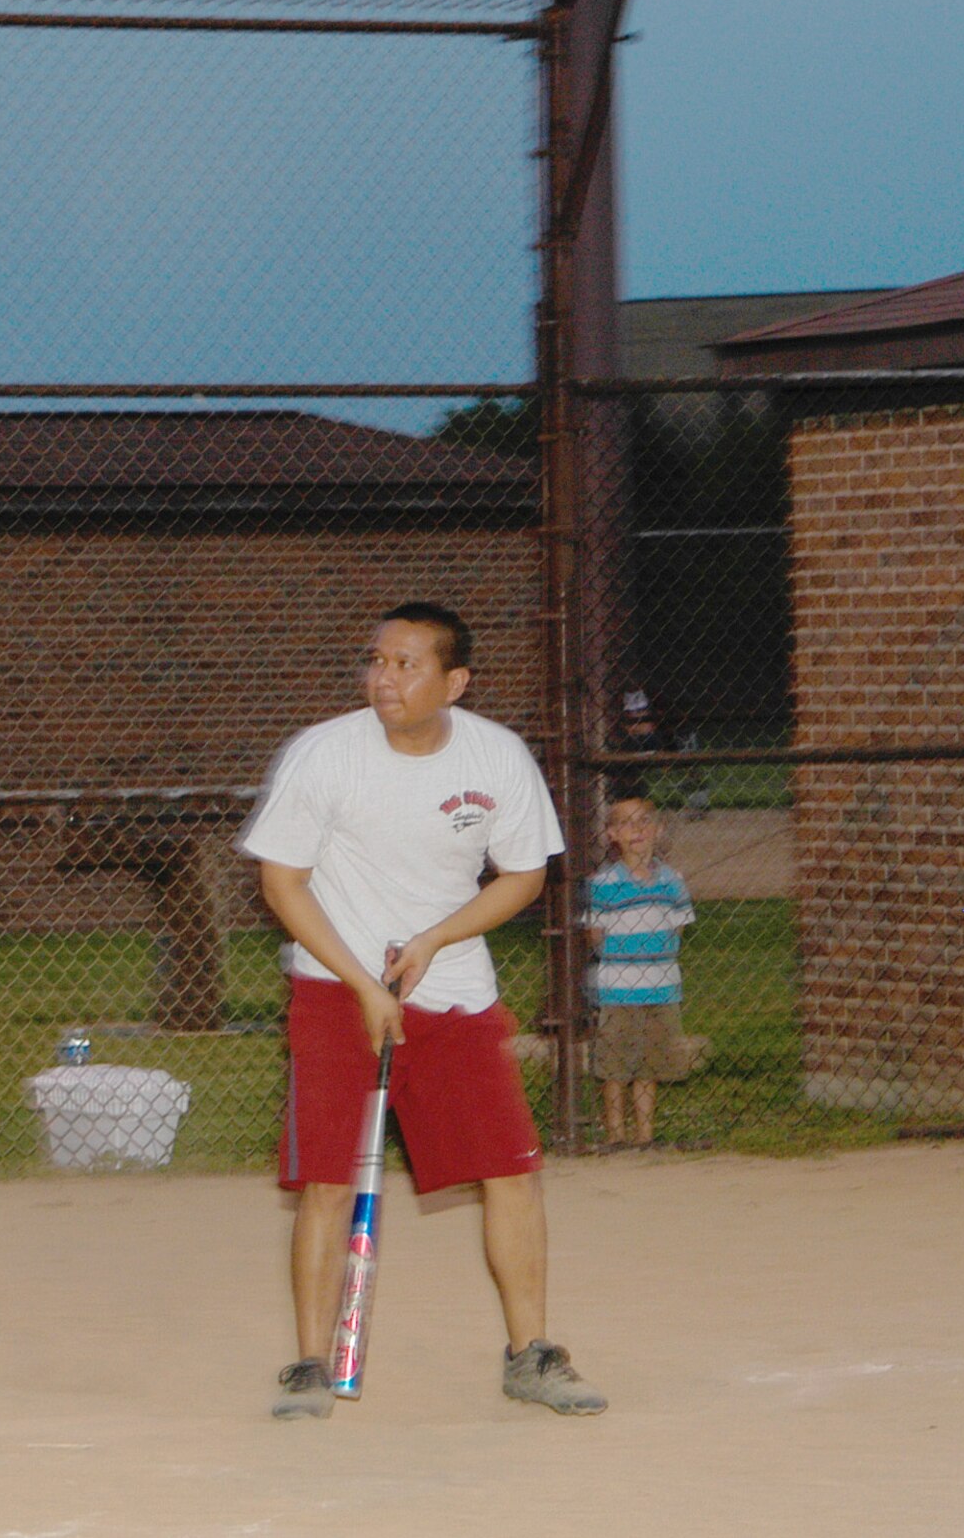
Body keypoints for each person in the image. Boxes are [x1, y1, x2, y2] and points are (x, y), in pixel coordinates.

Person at [239, 601, 606, 1421]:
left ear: (455, 681)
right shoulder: (325, 754)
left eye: (406, 664)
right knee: (328, 1182)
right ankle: (309, 1362)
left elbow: (522, 875)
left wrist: (435, 938)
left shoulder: (496, 755)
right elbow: (281, 882)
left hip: (454, 991)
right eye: (376, 661)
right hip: (336, 989)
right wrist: (363, 984)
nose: (384, 678)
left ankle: (532, 1354)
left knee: (511, 1172)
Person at [588, 784, 698, 1148]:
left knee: (650, 1065)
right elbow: (596, 935)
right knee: (616, 1066)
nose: (637, 830)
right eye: (626, 824)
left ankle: (645, 1135)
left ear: (658, 829)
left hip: (661, 986)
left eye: (645, 822)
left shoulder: (672, 881)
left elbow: (678, 927)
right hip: (619, 989)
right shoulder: (603, 885)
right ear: (612, 835)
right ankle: (616, 1134)